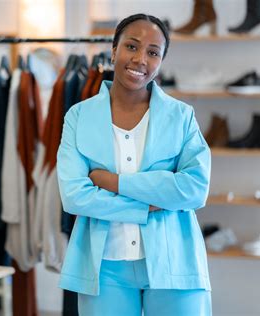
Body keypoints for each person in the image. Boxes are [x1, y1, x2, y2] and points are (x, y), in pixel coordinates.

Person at [56, 13, 212, 316]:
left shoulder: (181, 117)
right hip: (105, 269)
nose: (140, 59)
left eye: (153, 52)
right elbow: (74, 196)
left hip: (176, 264)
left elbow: (194, 189)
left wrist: (112, 182)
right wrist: (147, 204)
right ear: (113, 50)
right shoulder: (79, 116)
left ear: (161, 61)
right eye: (132, 46)